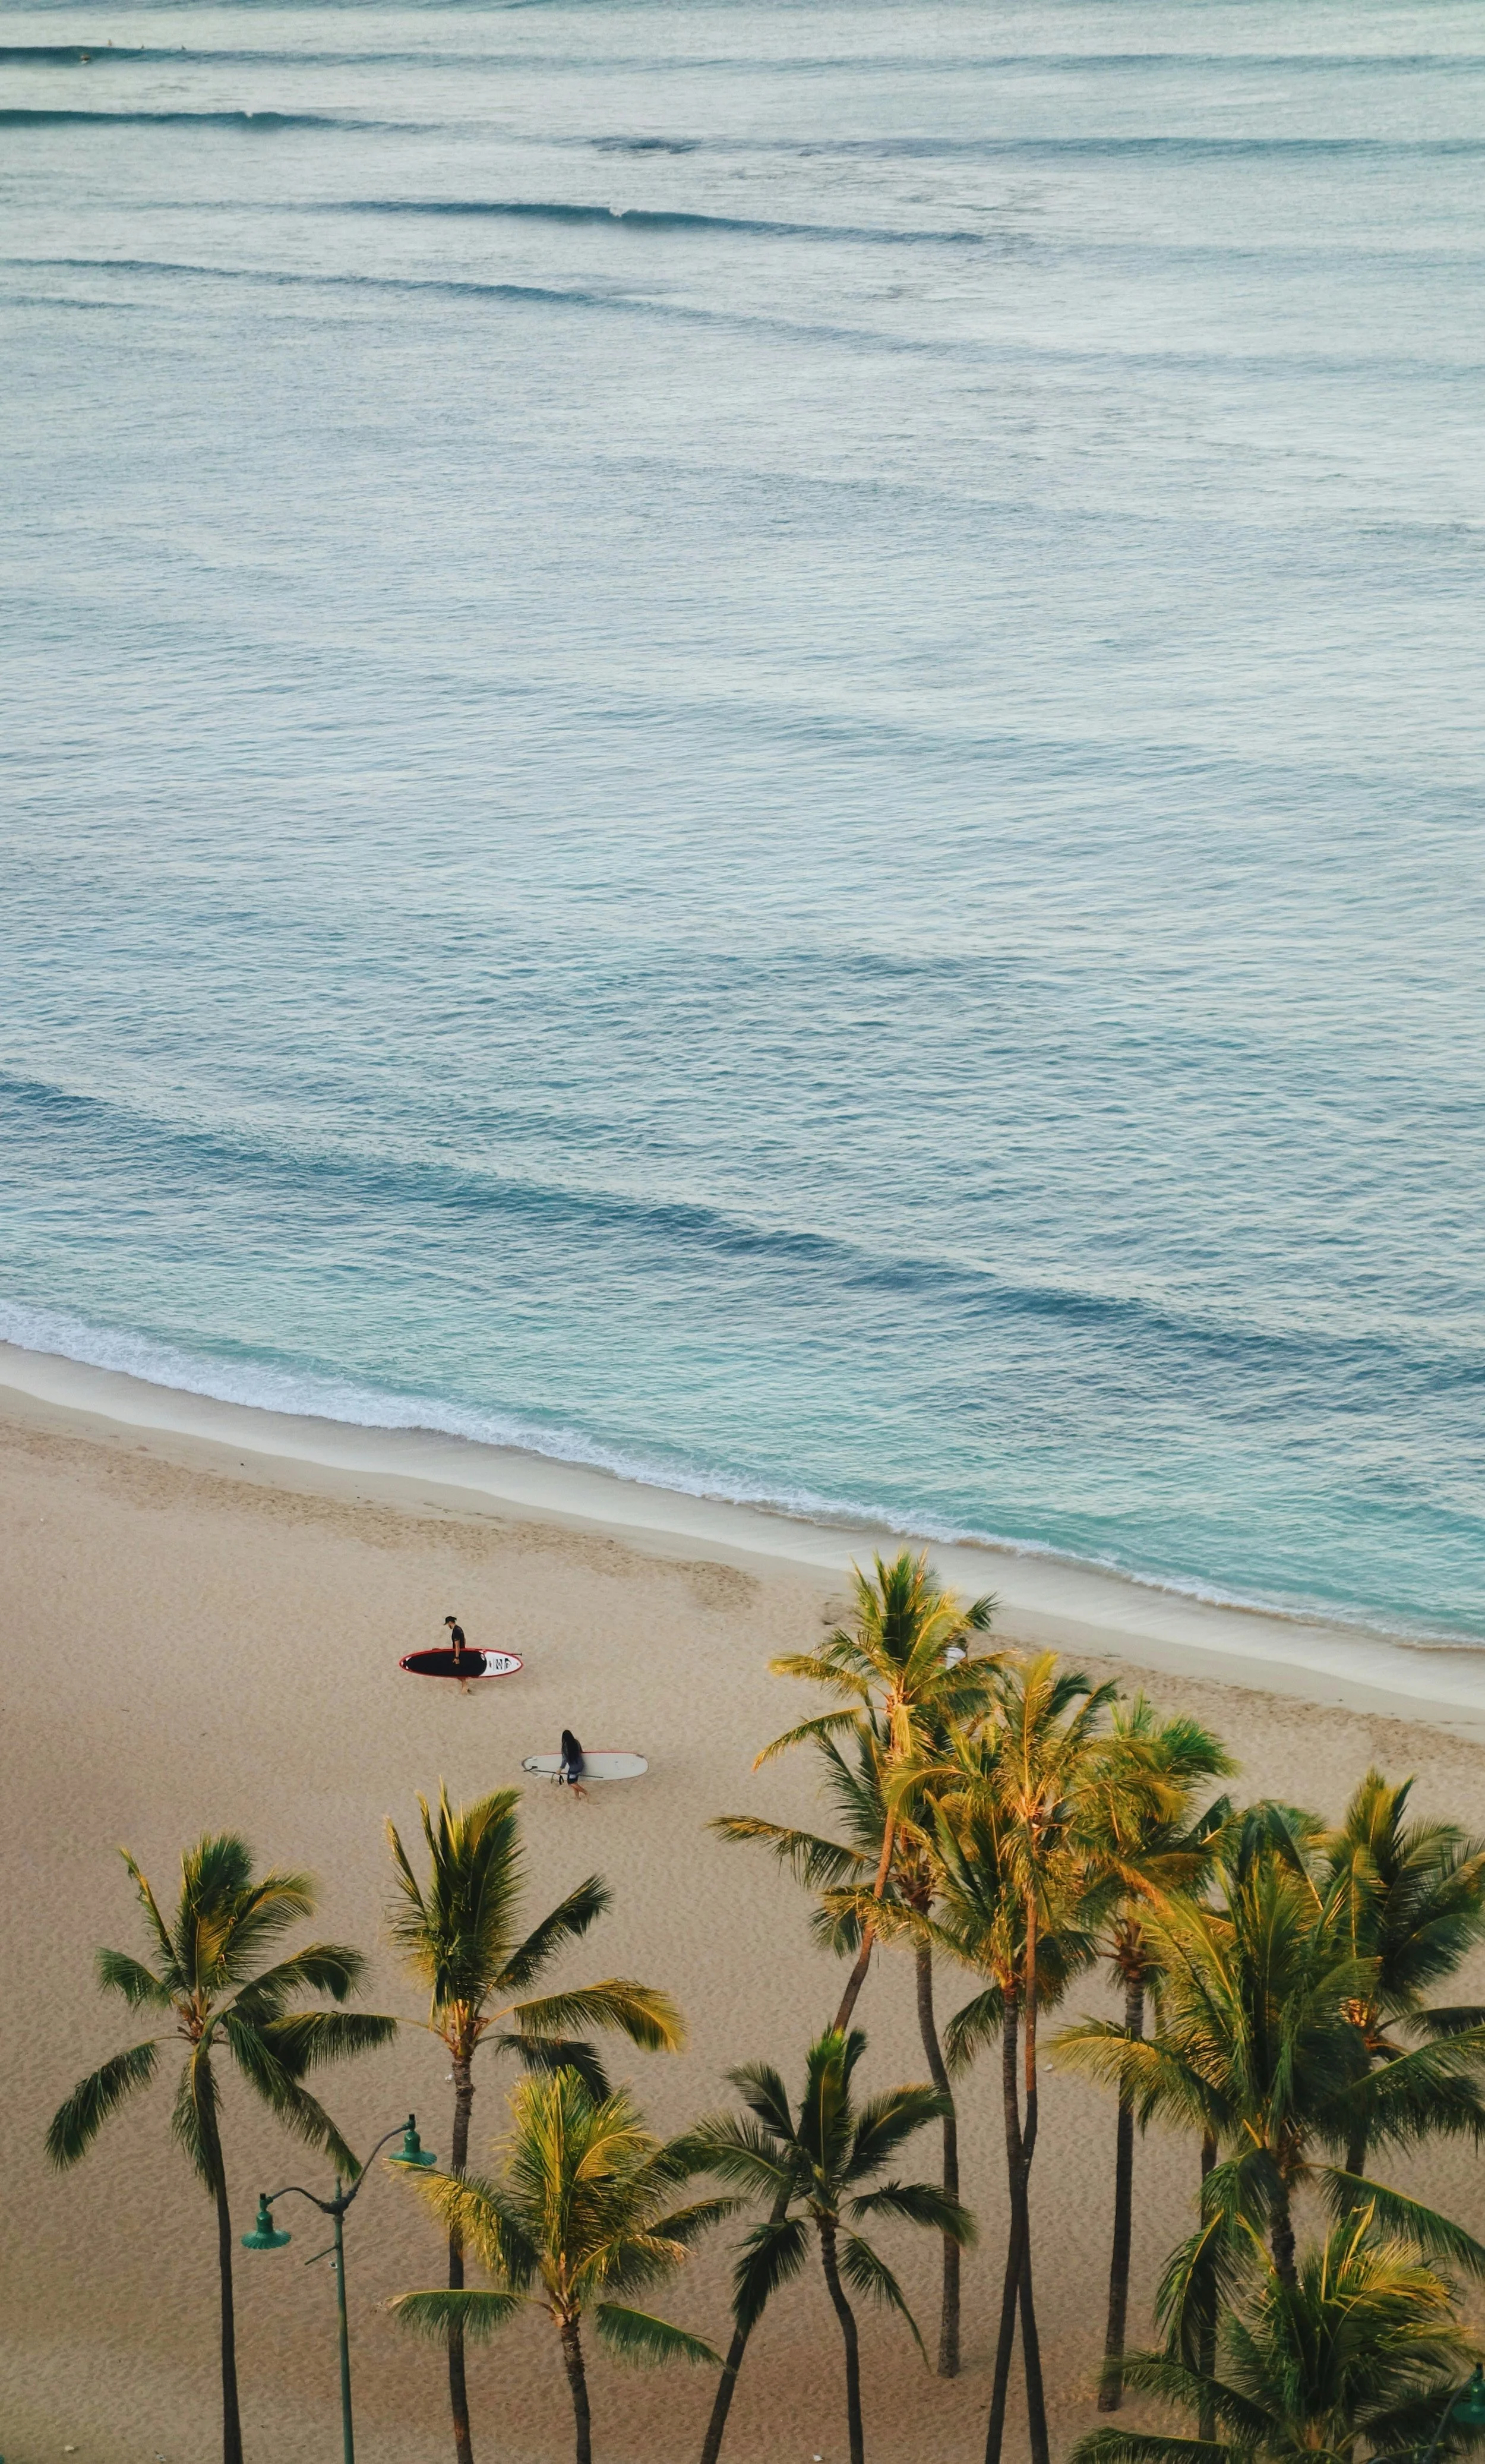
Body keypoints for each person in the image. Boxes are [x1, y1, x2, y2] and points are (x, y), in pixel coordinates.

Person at [559, 1730, 587, 1794]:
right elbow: (581, 1751)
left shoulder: (566, 1746)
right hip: (581, 1765)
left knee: (570, 1783)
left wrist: (560, 1769)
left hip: (574, 1769)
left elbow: (565, 1759)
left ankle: (585, 1792)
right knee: (574, 1782)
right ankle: (577, 1798)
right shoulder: (576, 1742)